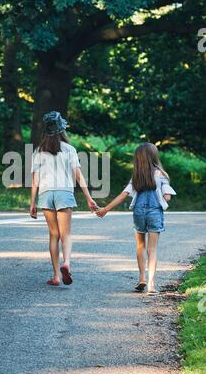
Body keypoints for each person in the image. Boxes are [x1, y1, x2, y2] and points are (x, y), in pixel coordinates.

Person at [96, 142, 176, 295]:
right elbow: (167, 196)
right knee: (153, 249)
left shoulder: (136, 176)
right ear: (154, 156)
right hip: (154, 212)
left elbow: (123, 194)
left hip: (139, 212)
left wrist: (106, 209)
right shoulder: (161, 174)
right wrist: (163, 199)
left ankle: (141, 278)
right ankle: (151, 285)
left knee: (140, 246)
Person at [30, 111, 97, 286]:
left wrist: (32, 203)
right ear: (61, 129)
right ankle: (66, 263)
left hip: (45, 195)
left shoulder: (38, 151)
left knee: (53, 235)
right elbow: (78, 176)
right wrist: (89, 198)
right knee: (65, 234)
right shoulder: (69, 150)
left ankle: (56, 276)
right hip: (64, 193)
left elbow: (35, 180)